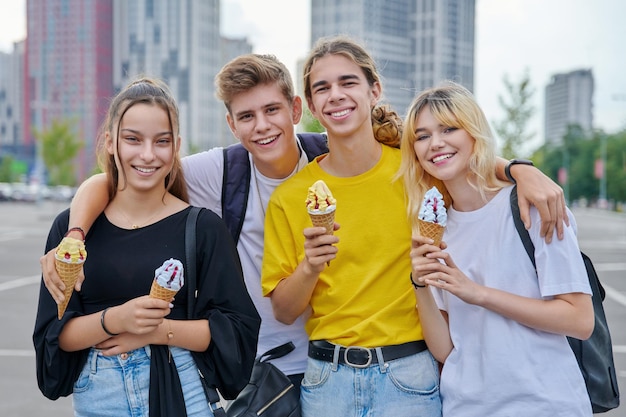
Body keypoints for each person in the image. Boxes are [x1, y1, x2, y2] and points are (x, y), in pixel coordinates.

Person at [40, 53, 564, 393]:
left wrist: (519, 170)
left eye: (272, 110)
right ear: (230, 124)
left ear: (296, 109)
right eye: (246, 117)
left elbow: (445, 153)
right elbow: (120, 176)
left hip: (347, 362)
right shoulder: (214, 171)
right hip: (255, 369)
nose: (261, 126)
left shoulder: (342, 158)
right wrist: (74, 234)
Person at [33, 77, 260, 417]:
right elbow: (57, 334)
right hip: (99, 397)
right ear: (111, 142)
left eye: (162, 141)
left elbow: (235, 332)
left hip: (182, 389)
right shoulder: (74, 232)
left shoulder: (202, 228)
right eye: (133, 139)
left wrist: (155, 331)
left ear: (177, 146)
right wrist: (116, 319)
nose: (148, 154)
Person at [399, 81, 593, 416]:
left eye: (449, 128)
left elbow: (579, 319)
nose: (437, 143)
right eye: (423, 135)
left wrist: (477, 293)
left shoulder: (532, 207)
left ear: (474, 132)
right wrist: (419, 284)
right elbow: (446, 350)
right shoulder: (437, 229)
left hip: (545, 404)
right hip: (467, 406)